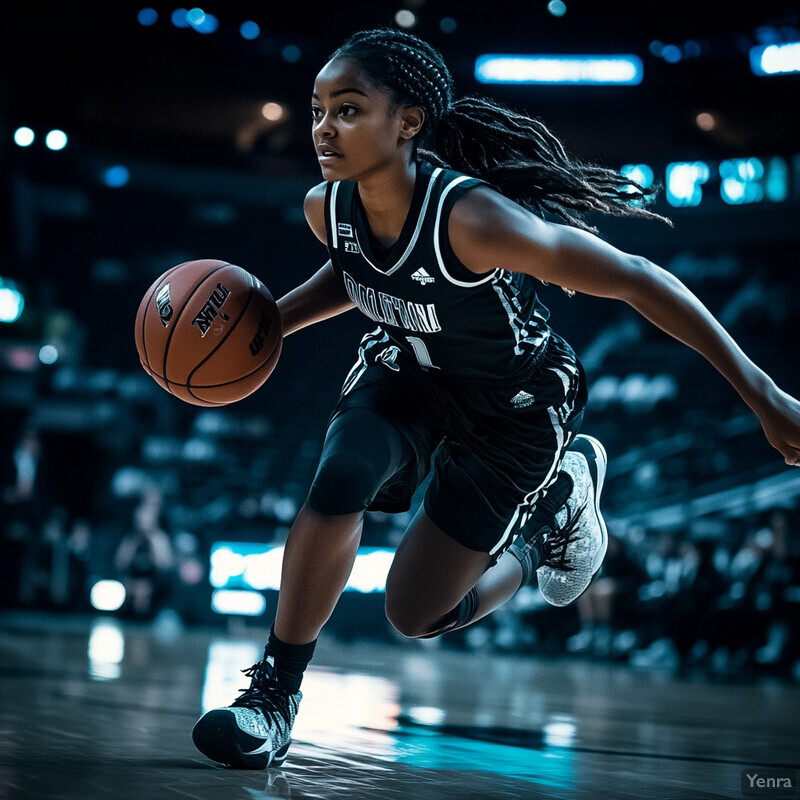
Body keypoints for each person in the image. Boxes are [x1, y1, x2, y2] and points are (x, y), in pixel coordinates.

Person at [192, 27, 800, 769]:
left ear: (408, 122)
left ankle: (553, 512)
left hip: (508, 407)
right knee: (340, 476)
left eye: (348, 109)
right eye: (317, 109)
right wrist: (268, 326)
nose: (324, 127)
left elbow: (641, 276)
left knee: (415, 614)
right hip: (406, 376)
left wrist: (765, 395)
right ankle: (273, 696)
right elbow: (361, 274)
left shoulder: (475, 221)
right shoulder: (328, 207)